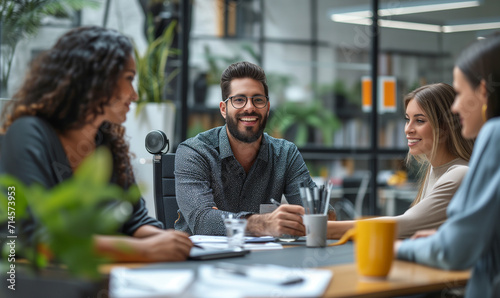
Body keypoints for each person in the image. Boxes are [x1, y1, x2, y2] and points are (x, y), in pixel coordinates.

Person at [0, 26, 193, 262]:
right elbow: (32, 237)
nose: (134, 95)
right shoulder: (28, 133)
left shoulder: (107, 141)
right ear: (96, 79)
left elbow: (134, 220)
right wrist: (143, 250)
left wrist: (169, 241)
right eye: (129, 79)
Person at [396, 35, 500, 298]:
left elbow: (456, 249)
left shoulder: (495, 134)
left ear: (484, 92)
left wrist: (394, 249)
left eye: (461, 93)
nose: (455, 108)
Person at [174, 61, 316, 236]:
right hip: (201, 259)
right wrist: (263, 224)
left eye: (258, 100)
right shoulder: (195, 152)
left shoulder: (286, 154)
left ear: (268, 108)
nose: (250, 107)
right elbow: (203, 221)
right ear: (224, 109)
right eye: (239, 100)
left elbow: (316, 213)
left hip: (265, 259)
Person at [327, 83, 474, 239]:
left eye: (420, 121)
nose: (408, 129)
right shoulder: (434, 169)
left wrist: (321, 229)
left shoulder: (460, 174)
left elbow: (402, 225)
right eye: (407, 119)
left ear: (445, 127)